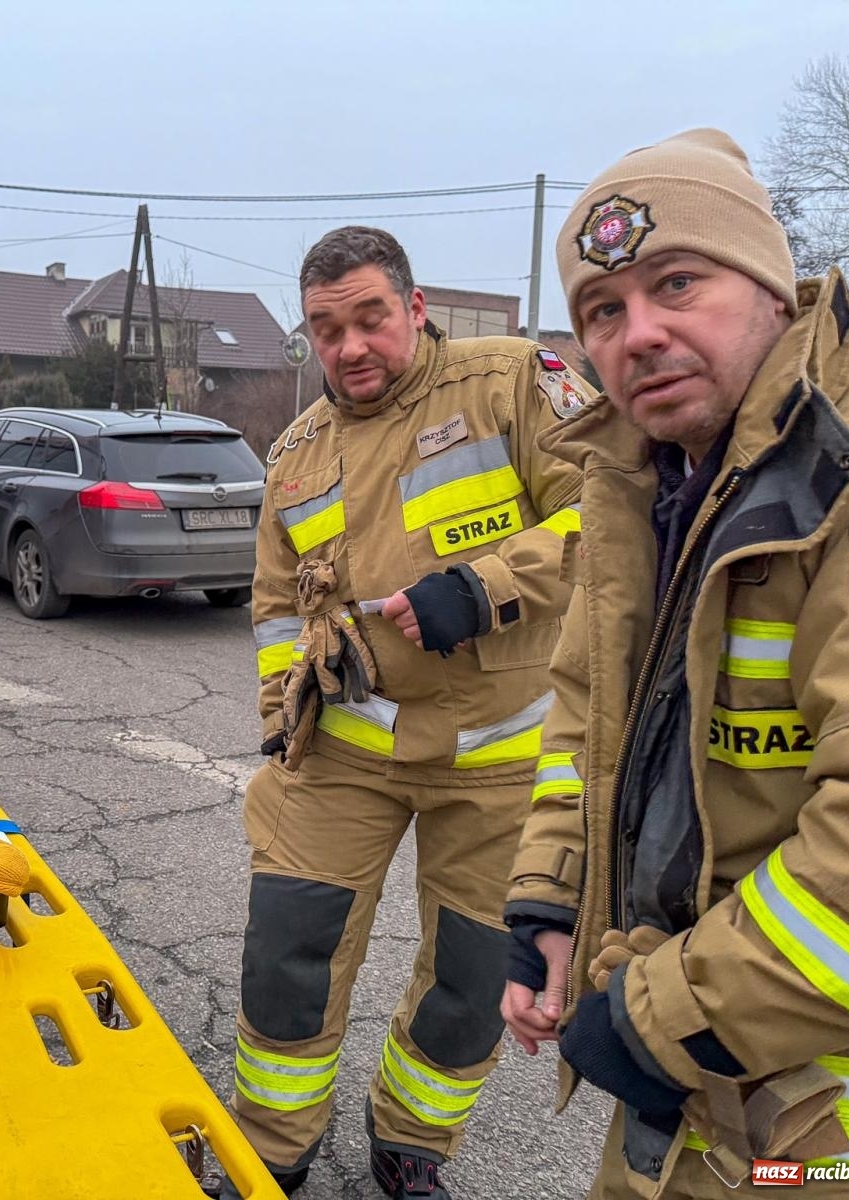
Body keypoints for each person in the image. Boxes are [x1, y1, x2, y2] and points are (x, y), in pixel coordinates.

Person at [501, 128, 849, 1198]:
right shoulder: (646, 482)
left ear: (774, 290)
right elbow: (588, 719)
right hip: (693, 1091)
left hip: (848, 1133)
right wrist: (552, 905)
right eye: (603, 310)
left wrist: (652, 1022)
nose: (638, 334)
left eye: (676, 282)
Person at [226, 225, 592, 1198]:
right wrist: (280, 705)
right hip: (343, 750)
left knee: (473, 979)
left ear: (415, 307)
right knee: (287, 949)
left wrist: (481, 588)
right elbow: (272, 605)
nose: (348, 347)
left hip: (502, 758)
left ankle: (411, 1146)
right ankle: (273, 1146)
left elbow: (611, 508)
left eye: (370, 318)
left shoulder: (510, 381)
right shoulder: (296, 453)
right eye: (325, 328)